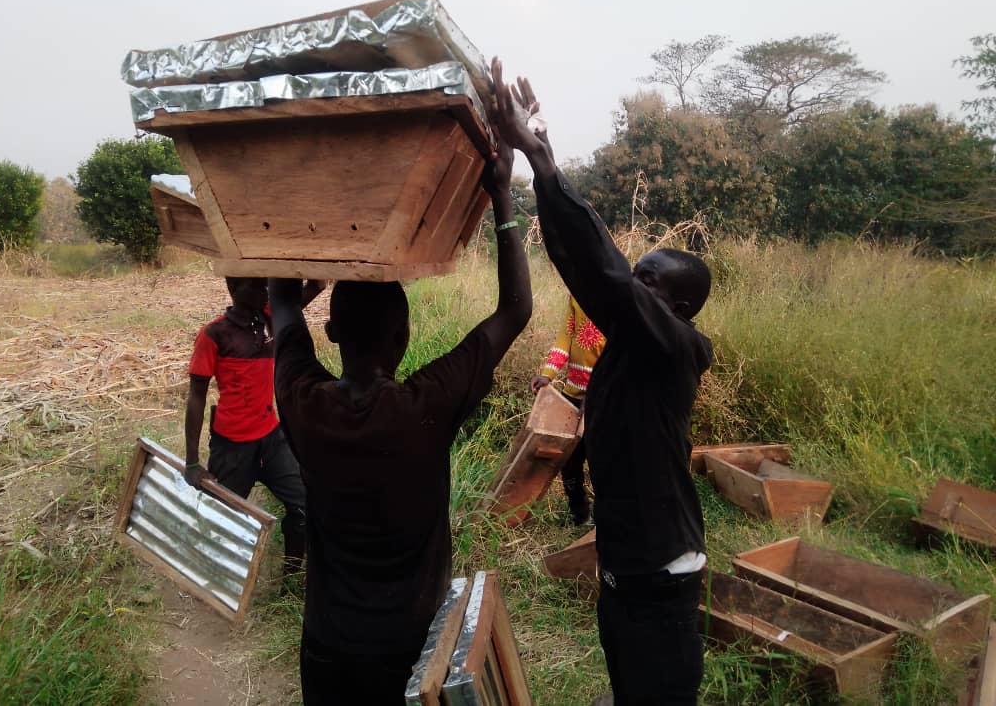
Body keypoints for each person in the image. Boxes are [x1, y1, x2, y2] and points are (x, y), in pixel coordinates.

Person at [268, 141, 532, 705]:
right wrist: (501, 189)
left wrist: (281, 211)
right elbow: (515, 310)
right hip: (412, 651)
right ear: (404, 337)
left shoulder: (301, 399)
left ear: (332, 335)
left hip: (327, 645)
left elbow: (283, 306)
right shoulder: (426, 405)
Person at [491, 58, 713, 706]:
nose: (632, 288)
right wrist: (540, 156)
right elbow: (588, 271)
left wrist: (542, 160)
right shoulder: (628, 346)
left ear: (678, 309)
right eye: (637, 274)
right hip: (627, 567)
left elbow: (607, 278)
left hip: (661, 576)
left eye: (651, 283)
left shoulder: (673, 349)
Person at [184, 276, 324, 577]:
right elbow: (196, 396)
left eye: (266, 285)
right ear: (234, 289)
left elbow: (317, 286)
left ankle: (291, 574)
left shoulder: (270, 321)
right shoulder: (214, 335)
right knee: (222, 517)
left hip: (272, 438)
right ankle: (218, 579)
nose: (265, 291)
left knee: (303, 504)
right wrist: (192, 461)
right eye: (257, 285)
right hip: (231, 445)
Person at [531, 294, 605, 525]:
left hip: (603, 398)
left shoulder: (618, 295)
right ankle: (579, 514)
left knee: (601, 462)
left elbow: (619, 356)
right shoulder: (576, 295)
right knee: (569, 460)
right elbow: (566, 337)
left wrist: (595, 393)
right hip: (572, 396)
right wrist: (547, 373)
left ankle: (608, 519)